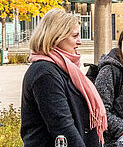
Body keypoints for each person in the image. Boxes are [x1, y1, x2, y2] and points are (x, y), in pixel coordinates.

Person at [21, 8, 106, 147]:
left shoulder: (66, 69)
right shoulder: (45, 73)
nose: (79, 42)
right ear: (55, 38)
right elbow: (63, 127)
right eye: (75, 36)